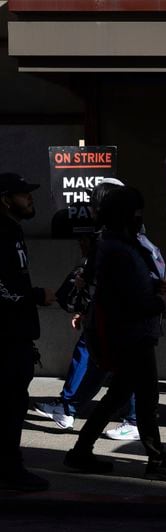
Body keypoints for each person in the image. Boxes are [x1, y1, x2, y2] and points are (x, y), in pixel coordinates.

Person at [63, 186, 166, 482]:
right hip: (131, 335)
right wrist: (160, 301)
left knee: (119, 394)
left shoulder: (116, 244)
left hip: (129, 334)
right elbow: (129, 300)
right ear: (123, 216)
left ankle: (81, 451)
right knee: (146, 398)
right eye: (136, 214)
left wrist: (156, 290)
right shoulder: (119, 249)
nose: (140, 219)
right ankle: (156, 460)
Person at [35, 180, 141, 441]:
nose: (92, 211)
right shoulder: (110, 237)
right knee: (98, 363)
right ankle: (72, 412)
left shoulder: (119, 239)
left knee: (121, 372)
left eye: (96, 205)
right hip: (107, 315)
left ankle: (130, 421)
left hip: (121, 319)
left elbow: (124, 281)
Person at [0, 172, 56, 492]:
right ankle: (10, 469)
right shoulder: (0, 232)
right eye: (23, 194)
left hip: (17, 335)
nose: (29, 197)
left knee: (13, 403)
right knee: (9, 405)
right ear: (6, 199)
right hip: (6, 337)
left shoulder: (12, 230)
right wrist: (35, 295)